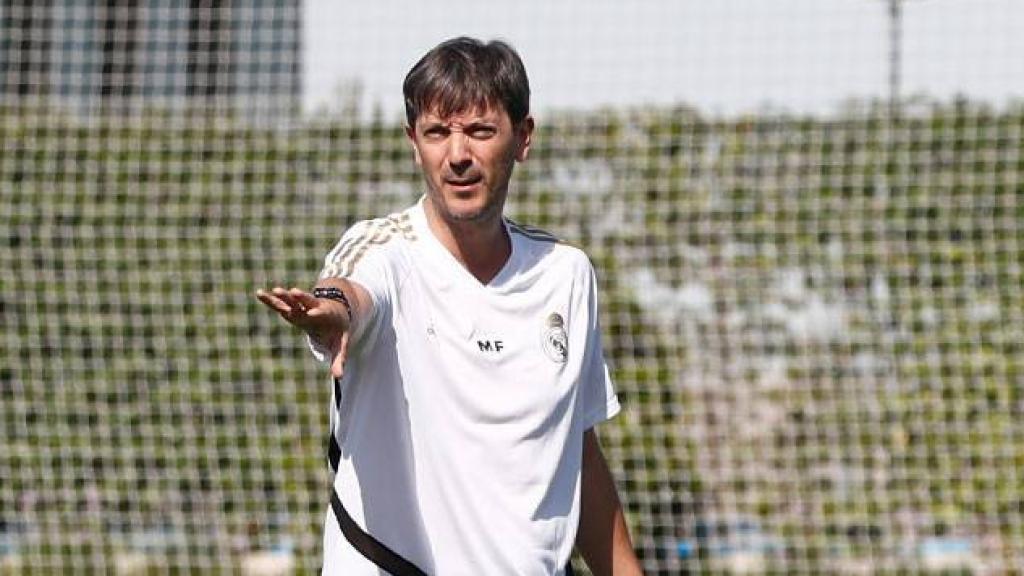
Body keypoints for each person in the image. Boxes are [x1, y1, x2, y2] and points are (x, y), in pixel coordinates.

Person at [256, 36, 643, 576]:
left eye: (480, 131)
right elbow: (352, 290)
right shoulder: (384, 250)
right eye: (437, 133)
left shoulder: (566, 274)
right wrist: (333, 314)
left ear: (522, 137)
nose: (457, 155)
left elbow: (574, 451)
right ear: (414, 143)